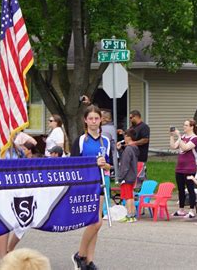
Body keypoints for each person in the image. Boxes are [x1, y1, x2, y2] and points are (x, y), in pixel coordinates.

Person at [71, 105, 111, 270]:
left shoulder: (106, 141)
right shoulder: (81, 140)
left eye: (96, 118)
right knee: (94, 222)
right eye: (91, 119)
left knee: (96, 222)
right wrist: (92, 163)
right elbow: (73, 164)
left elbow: (109, 166)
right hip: (85, 184)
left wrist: (104, 165)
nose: (94, 122)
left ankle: (88, 260)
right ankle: (80, 254)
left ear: (101, 120)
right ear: (85, 120)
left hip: (100, 183)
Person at [170, 119, 197, 218]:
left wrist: (179, 136)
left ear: (192, 127)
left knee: (190, 189)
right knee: (180, 189)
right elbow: (174, 146)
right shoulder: (183, 137)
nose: (184, 127)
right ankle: (181, 209)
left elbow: (186, 147)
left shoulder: (195, 138)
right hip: (180, 167)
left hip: (189, 168)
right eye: (184, 125)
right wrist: (172, 136)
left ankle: (191, 210)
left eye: (186, 125)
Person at [117, 110, 150, 184]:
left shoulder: (144, 127)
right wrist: (123, 133)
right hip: (132, 155)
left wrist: (133, 143)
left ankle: (145, 190)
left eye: (131, 117)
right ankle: (137, 189)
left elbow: (145, 140)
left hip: (140, 155)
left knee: (140, 175)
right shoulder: (133, 127)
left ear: (137, 116)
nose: (130, 119)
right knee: (133, 175)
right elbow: (129, 136)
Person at [117, 129, 139, 223]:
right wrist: (121, 149)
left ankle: (129, 215)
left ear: (128, 137)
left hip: (127, 176)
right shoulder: (134, 148)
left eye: (125, 136)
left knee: (128, 196)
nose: (124, 138)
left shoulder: (128, 149)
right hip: (132, 175)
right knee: (131, 195)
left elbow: (125, 164)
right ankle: (133, 215)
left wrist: (120, 177)